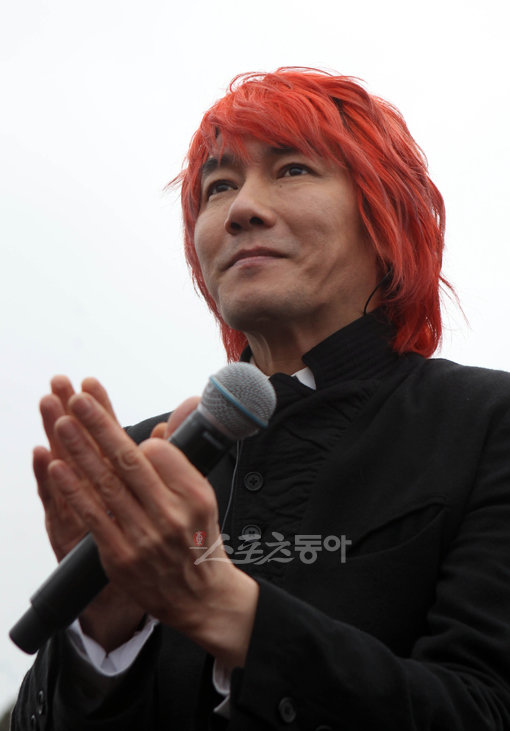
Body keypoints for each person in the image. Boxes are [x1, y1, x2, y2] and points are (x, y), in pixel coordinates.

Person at [11, 68, 510, 730]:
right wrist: (103, 633)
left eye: (293, 170)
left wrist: (230, 611)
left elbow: (485, 708)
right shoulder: (144, 463)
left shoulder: (487, 424)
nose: (242, 208)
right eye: (219, 186)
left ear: (385, 220)